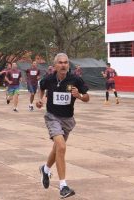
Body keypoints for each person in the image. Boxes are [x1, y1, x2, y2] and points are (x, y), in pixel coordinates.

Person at [36, 53, 89, 199]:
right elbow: (40, 87)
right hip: (52, 117)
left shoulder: (75, 79)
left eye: (66, 62)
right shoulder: (49, 79)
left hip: (68, 119)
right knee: (62, 147)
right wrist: (39, 100)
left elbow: (87, 98)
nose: (63, 65)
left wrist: (79, 96)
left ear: (68, 65)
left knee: (57, 148)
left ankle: (45, 169)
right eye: (60, 62)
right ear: (55, 66)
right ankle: (63, 186)